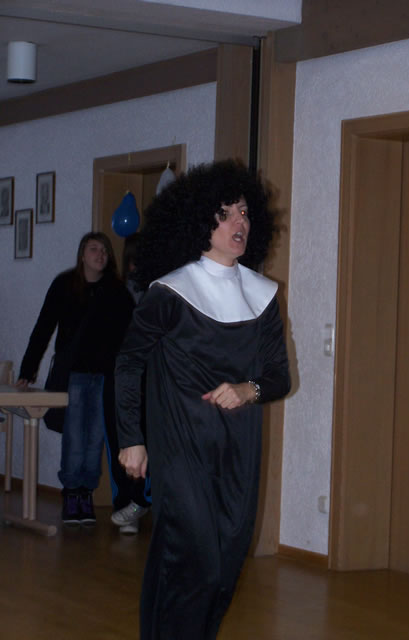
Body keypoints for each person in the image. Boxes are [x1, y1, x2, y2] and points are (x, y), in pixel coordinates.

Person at [115, 159, 291, 639]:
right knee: (199, 562)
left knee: (224, 564)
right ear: (199, 223)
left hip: (238, 447)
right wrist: (131, 438)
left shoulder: (263, 296)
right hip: (181, 445)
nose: (239, 223)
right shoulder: (171, 292)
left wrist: (248, 389)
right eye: (225, 214)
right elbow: (128, 364)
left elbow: (279, 377)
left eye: (245, 213)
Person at [17, 231, 134, 526]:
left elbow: (131, 334)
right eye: (94, 249)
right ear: (82, 255)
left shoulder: (116, 291)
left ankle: (86, 493)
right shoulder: (65, 285)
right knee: (74, 437)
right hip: (74, 375)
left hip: (105, 376)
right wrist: (27, 370)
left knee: (95, 437)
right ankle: (72, 492)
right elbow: (43, 327)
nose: (100, 255)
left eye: (104, 250)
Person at [104, 232, 151, 535]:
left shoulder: (159, 292)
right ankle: (128, 504)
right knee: (121, 441)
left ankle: (140, 500)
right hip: (121, 376)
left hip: (150, 378)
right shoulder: (117, 292)